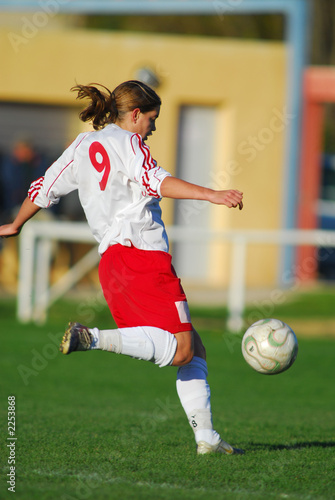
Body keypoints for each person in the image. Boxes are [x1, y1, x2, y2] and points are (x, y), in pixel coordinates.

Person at [0, 81, 244, 455]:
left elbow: (43, 187)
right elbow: (157, 180)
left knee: (194, 347)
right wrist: (212, 194)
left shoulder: (82, 145)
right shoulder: (131, 144)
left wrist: (17, 224)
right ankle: (91, 337)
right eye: (152, 118)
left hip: (112, 264)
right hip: (144, 257)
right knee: (182, 351)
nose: (153, 127)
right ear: (134, 115)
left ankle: (207, 438)